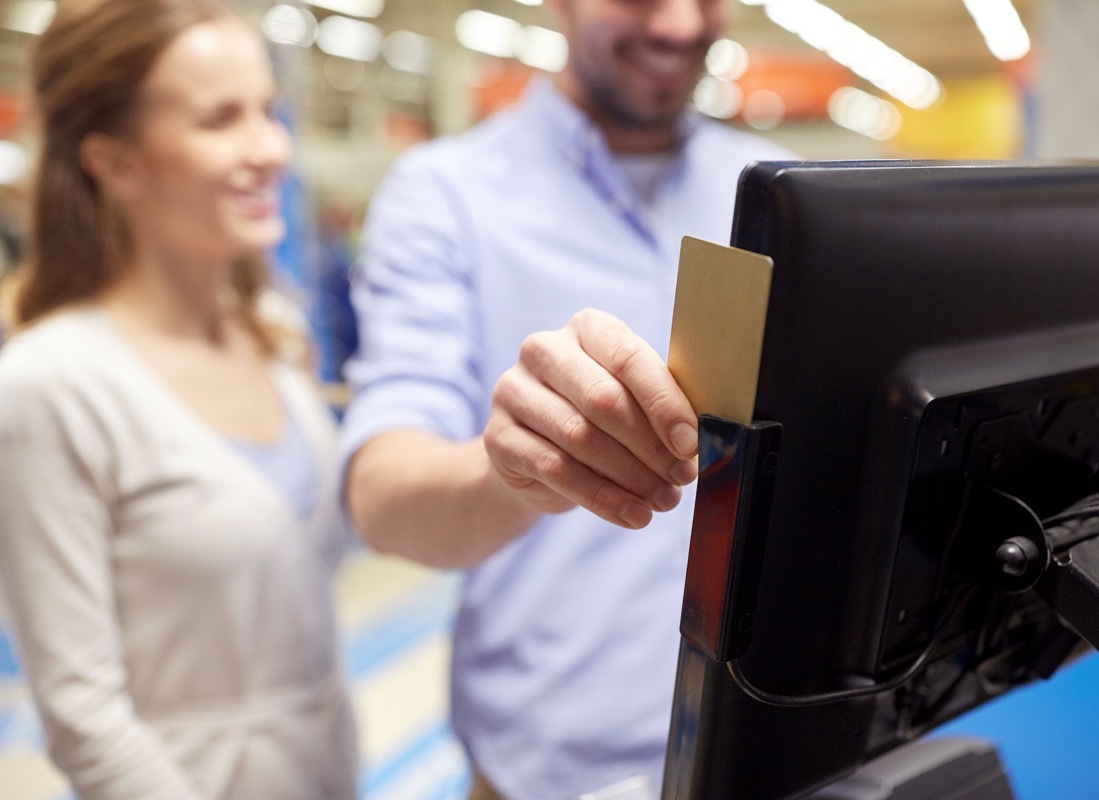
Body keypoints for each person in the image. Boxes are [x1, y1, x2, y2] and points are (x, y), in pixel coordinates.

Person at [342, 0, 795, 797]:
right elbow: (381, 495)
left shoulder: (782, 194)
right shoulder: (445, 195)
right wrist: (511, 471)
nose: (682, 23)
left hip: (765, 750)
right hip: (548, 770)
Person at [0, 1, 358, 798]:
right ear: (115, 162)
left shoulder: (271, 334)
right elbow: (82, 716)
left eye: (268, 111)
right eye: (220, 119)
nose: (270, 148)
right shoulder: (51, 387)